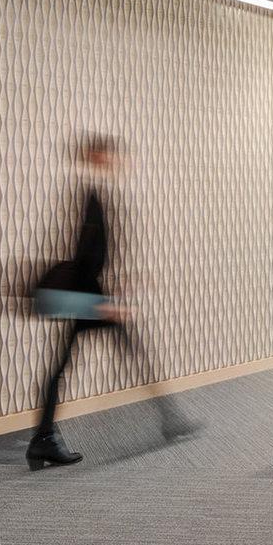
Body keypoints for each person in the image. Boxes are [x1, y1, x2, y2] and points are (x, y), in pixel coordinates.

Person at [26, 134, 190, 470]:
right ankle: (44, 438)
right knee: (95, 357)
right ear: (97, 156)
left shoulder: (95, 192)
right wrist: (99, 303)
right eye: (109, 154)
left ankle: (44, 438)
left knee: (80, 361)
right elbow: (84, 257)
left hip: (88, 292)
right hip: (85, 294)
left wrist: (119, 285)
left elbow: (93, 255)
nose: (117, 160)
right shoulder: (90, 193)